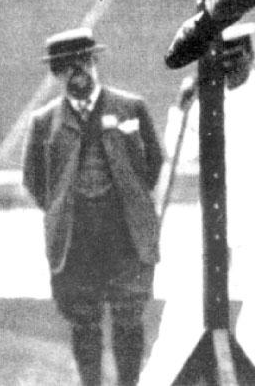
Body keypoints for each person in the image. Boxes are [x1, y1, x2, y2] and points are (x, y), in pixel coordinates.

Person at [139, 22, 255, 386]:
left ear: (250, 54)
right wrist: (181, 108)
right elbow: (181, 152)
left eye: (237, 55)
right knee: (185, 306)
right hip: (217, 219)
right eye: (222, 56)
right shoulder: (207, 102)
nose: (230, 63)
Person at [22, 27, 164, 386]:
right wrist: (62, 207)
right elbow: (33, 179)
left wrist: (132, 198)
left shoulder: (131, 107)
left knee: (128, 315)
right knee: (83, 319)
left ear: (94, 62)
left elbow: (155, 159)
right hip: (75, 237)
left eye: (83, 62)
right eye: (67, 67)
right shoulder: (43, 122)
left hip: (126, 232)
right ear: (57, 74)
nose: (78, 73)